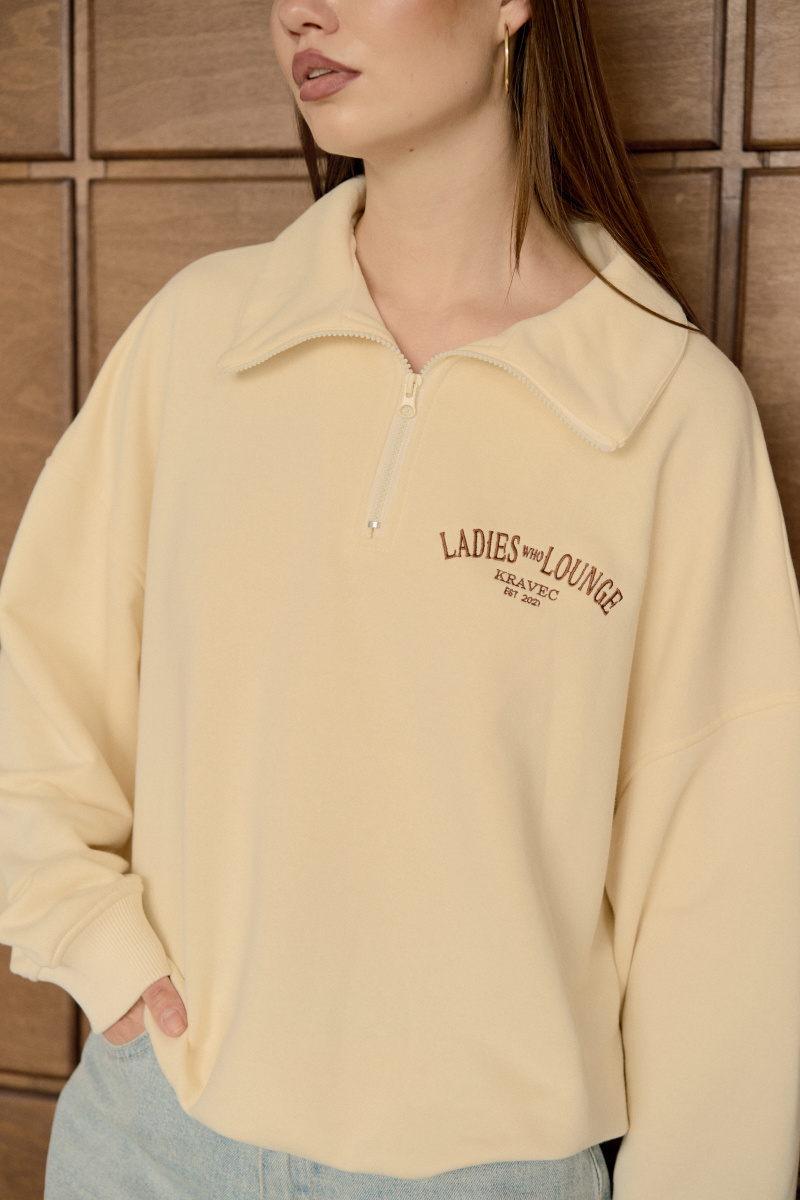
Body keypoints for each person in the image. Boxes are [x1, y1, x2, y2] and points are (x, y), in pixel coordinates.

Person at [1, 0, 799, 1197]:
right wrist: (90, 937)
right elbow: (37, 678)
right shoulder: (199, 339)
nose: (297, 13)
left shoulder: (667, 411)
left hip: (484, 1173)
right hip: (155, 1138)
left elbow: (723, 906)